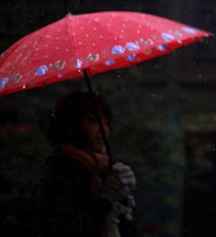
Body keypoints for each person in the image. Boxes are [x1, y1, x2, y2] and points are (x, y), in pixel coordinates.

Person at [33, 91, 138, 237]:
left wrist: (123, 197)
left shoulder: (104, 168)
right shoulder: (60, 171)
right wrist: (106, 198)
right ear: (72, 125)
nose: (103, 129)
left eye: (106, 122)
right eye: (93, 121)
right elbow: (62, 231)